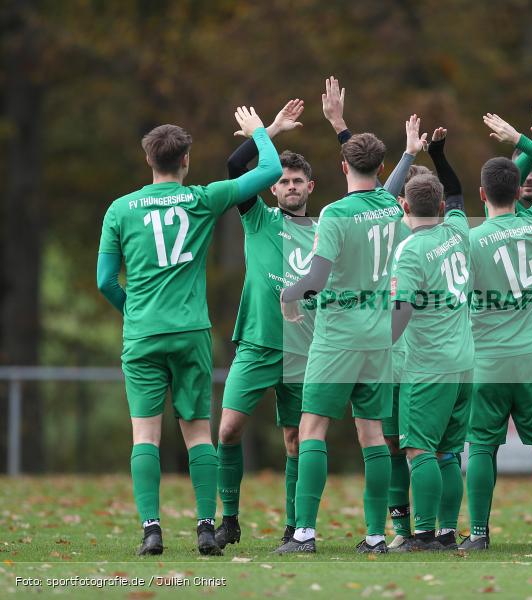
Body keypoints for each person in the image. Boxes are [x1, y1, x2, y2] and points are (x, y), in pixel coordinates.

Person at [96, 107, 282, 556]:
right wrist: (262, 132)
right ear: (185, 161)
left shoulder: (120, 209)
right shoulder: (201, 198)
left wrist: (134, 313)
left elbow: (104, 281)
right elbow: (272, 170)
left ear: (149, 161)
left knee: (145, 435)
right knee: (198, 432)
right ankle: (203, 528)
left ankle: (151, 530)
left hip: (142, 334)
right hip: (190, 332)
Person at [276, 104, 417, 553]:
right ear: (379, 168)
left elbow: (315, 279)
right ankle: (376, 535)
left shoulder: (336, 213)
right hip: (378, 334)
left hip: (338, 332)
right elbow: (383, 186)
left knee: (312, 427)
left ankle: (304, 533)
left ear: (342, 168)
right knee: (372, 434)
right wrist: (344, 128)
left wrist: (288, 295)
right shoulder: (394, 209)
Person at [461, 105, 532, 551]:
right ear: (517, 190)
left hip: (488, 358)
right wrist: (524, 141)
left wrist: (513, 151)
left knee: (482, 448)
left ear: (482, 196)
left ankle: (480, 535)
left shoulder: (469, 239)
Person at [212, 99, 316, 551]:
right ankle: (229, 519)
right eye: (284, 182)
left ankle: (295, 527)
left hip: (302, 349)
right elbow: (236, 164)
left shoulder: (323, 228)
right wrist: (269, 130)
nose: (290, 187)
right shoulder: (257, 218)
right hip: (255, 344)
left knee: (295, 440)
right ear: (273, 189)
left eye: (297, 181)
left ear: (310, 187)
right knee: (227, 430)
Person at [389, 130, 472, 552]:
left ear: (404, 206)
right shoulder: (458, 231)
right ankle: (446, 531)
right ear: (441, 207)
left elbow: (401, 311)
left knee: (419, 451)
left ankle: (421, 535)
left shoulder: (411, 250)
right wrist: (440, 156)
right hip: (463, 362)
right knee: (449, 453)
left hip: (428, 363)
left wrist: (386, 344)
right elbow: (456, 192)